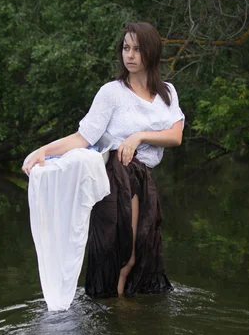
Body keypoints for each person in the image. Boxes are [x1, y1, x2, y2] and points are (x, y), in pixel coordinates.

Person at [23, 22, 184, 298]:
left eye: (137, 49)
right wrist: (44, 151)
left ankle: (122, 316)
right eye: (125, 48)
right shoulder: (112, 92)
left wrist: (138, 136)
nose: (130, 55)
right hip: (116, 177)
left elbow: (175, 136)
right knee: (124, 255)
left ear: (151, 52)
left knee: (141, 250)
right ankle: (116, 318)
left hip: (144, 178)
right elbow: (81, 138)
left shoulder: (166, 92)